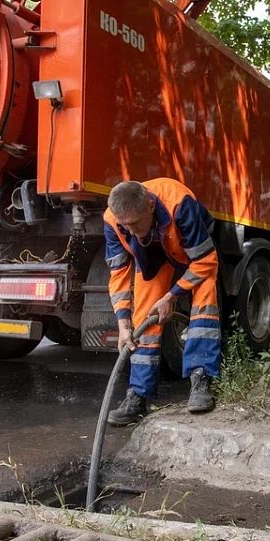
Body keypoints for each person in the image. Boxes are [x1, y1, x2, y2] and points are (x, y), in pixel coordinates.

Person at [103, 178, 221, 426]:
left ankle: (201, 379)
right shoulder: (113, 220)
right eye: (126, 226)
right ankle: (137, 396)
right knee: (143, 318)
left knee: (204, 298)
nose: (131, 231)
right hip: (155, 257)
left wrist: (171, 296)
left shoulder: (179, 202)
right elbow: (119, 274)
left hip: (192, 252)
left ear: (149, 205)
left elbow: (205, 260)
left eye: (135, 224)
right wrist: (123, 324)